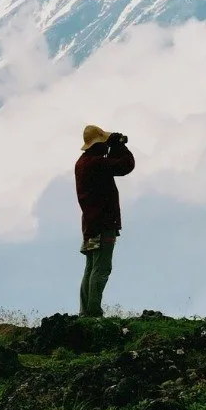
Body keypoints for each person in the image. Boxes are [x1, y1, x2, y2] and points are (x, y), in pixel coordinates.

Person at [74, 124, 135, 318]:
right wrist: (119, 146)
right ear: (97, 145)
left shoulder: (83, 163)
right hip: (103, 223)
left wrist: (112, 146)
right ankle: (93, 312)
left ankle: (85, 311)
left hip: (90, 224)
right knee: (101, 268)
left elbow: (112, 164)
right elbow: (125, 165)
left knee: (91, 268)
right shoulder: (96, 164)